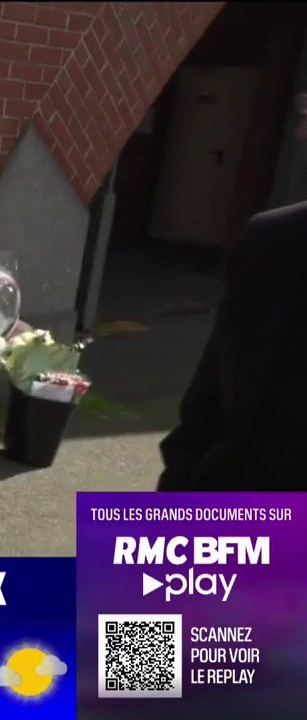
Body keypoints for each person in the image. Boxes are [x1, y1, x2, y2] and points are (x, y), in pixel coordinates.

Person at [158, 92, 307, 490]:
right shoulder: (271, 240)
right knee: (111, 531)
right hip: (232, 508)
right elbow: (207, 402)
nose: (300, 129)